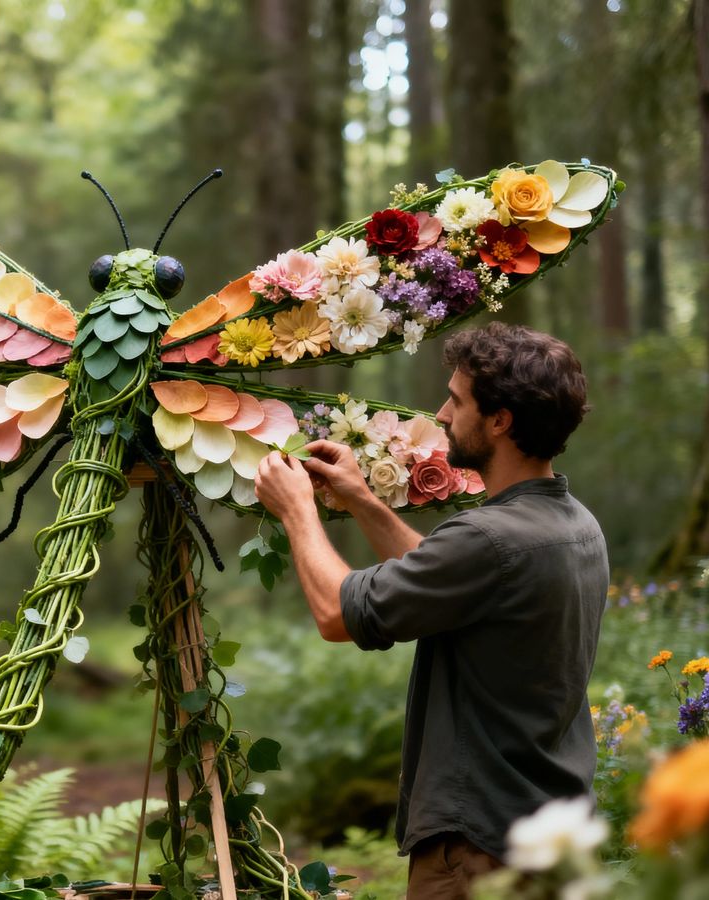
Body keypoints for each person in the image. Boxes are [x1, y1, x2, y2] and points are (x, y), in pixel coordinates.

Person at [253, 323, 607, 900]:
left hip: (478, 851)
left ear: (500, 421)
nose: (442, 414)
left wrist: (298, 512)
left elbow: (336, 616)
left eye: (457, 400)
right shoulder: (572, 525)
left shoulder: (490, 539)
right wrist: (362, 500)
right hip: (547, 832)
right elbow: (447, 578)